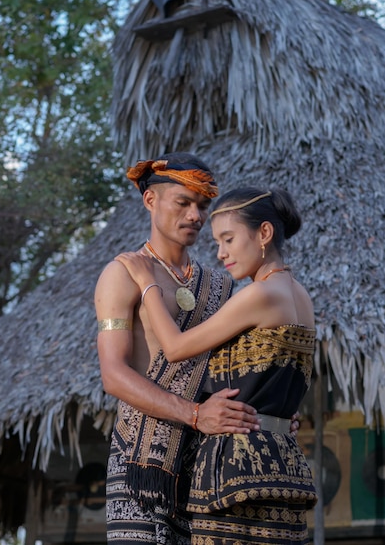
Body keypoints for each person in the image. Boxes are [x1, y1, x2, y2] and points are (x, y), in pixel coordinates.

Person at [115, 185, 318, 545]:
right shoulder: (300, 295)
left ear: (264, 233)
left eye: (228, 239)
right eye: (217, 242)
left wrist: (148, 285)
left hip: (237, 468)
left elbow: (176, 348)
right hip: (284, 464)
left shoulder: (259, 294)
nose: (221, 253)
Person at [95, 153, 264, 545]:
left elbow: (231, 370)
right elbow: (113, 374)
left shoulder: (220, 285)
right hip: (141, 462)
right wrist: (194, 413)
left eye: (202, 206)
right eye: (183, 203)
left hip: (209, 459)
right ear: (150, 201)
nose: (195, 216)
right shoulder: (122, 274)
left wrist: (264, 414)